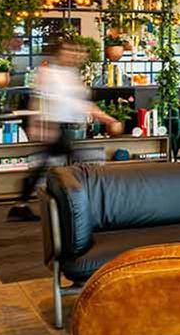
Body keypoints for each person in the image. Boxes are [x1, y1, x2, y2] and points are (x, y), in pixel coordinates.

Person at [9, 38, 118, 221]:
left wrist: (101, 115)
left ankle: (25, 204)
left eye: (76, 51)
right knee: (71, 164)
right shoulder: (48, 72)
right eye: (69, 50)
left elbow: (80, 101)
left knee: (57, 165)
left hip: (68, 126)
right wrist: (36, 125)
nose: (74, 54)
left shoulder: (71, 74)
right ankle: (72, 203)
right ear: (60, 52)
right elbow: (39, 100)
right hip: (54, 125)